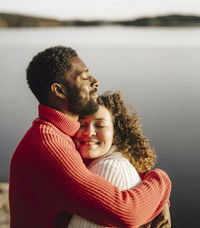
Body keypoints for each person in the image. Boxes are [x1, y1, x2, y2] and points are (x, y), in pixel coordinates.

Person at [9, 46, 171, 228]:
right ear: (59, 91)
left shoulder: (58, 132)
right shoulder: (48, 147)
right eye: (85, 77)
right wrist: (160, 180)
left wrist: (143, 179)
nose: (95, 82)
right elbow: (128, 213)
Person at [68, 91, 171, 227]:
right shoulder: (87, 165)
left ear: (115, 133)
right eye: (81, 124)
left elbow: (131, 212)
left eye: (100, 125)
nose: (89, 132)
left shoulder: (109, 168)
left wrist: (162, 184)